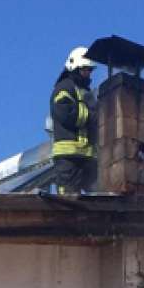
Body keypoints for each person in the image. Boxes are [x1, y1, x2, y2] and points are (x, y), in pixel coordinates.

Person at [50, 47, 97, 195]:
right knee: (68, 200)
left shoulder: (87, 91)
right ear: (74, 67)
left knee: (99, 197)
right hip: (68, 157)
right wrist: (91, 116)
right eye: (85, 69)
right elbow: (64, 113)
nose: (88, 73)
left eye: (90, 70)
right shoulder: (64, 87)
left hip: (88, 156)